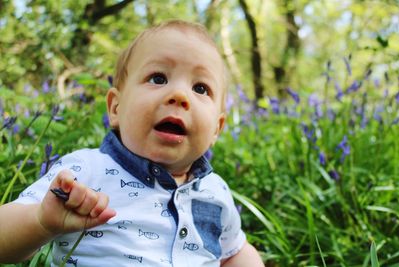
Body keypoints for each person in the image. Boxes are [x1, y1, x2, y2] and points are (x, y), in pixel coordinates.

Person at [0, 20, 264, 267]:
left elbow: (235, 252)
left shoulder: (216, 191)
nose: (180, 95)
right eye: (158, 78)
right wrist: (41, 223)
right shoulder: (82, 172)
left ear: (217, 128)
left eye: (201, 88)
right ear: (116, 108)